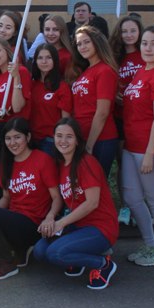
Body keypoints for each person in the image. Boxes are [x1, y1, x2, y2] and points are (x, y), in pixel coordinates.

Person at [0, 119, 62, 280]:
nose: (12, 143)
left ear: (28, 137)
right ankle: (20, 251)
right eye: (8, 138)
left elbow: (56, 197)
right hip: (13, 221)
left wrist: (50, 217)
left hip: (34, 223)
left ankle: (7, 262)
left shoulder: (42, 160)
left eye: (17, 137)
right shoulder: (6, 163)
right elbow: (6, 198)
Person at [34, 118, 120, 290]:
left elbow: (92, 203)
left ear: (78, 141)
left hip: (100, 227)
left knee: (55, 253)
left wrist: (61, 223)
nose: (63, 141)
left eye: (69, 136)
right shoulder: (61, 164)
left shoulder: (86, 162)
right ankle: (77, 258)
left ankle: (103, 264)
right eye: (59, 136)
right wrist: (50, 218)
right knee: (40, 251)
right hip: (78, 225)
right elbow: (60, 199)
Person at [121, 26, 154, 267]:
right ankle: (149, 243)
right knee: (132, 197)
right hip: (131, 145)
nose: (148, 48)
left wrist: (151, 154)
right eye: (145, 43)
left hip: (149, 148)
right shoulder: (142, 70)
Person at [70, 25, 119, 178]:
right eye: (79, 44)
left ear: (97, 42)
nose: (82, 47)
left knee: (96, 183)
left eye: (87, 42)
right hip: (83, 136)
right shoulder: (86, 70)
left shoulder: (105, 71)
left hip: (100, 139)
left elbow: (102, 112)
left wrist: (89, 145)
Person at [109, 16, 144, 224]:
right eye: (124, 31)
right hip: (119, 117)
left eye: (133, 31)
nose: (128, 35)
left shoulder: (146, 54)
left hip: (140, 119)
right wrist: (114, 95)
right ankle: (125, 206)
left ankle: (140, 205)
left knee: (140, 166)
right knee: (123, 164)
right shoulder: (114, 56)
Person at [0, 37, 30, 160]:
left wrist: (16, 77)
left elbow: (17, 107)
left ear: (6, 50)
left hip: (17, 130)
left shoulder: (21, 71)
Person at [28, 44, 72, 154]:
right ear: (35, 61)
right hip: (30, 139)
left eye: (48, 57)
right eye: (40, 58)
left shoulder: (62, 87)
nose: (44, 61)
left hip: (50, 141)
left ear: (55, 60)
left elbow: (65, 120)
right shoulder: (31, 85)